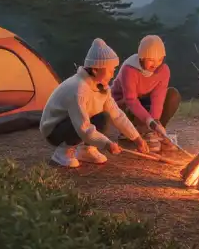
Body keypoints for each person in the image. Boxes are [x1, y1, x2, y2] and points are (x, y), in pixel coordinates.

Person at [39, 38, 149, 168]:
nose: (112, 75)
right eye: (110, 70)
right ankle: (63, 152)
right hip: (54, 130)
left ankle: (86, 150)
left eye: (114, 70)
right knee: (79, 122)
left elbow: (117, 115)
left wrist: (137, 138)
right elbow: (83, 127)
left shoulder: (102, 87)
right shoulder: (78, 89)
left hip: (76, 123)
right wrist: (106, 144)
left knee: (103, 117)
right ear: (96, 70)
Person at [103, 35, 181, 152]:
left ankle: (154, 133)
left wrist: (155, 122)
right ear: (142, 57)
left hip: (143, 101)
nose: (155, 64)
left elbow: (158, 97)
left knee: (172, 95)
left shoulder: (163, 70)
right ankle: (131, 132)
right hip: (124, 104)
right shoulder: (129, 69)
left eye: (160, 60)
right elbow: (131, 100)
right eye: (151, 60)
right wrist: (149, 121)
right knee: (130, 106)